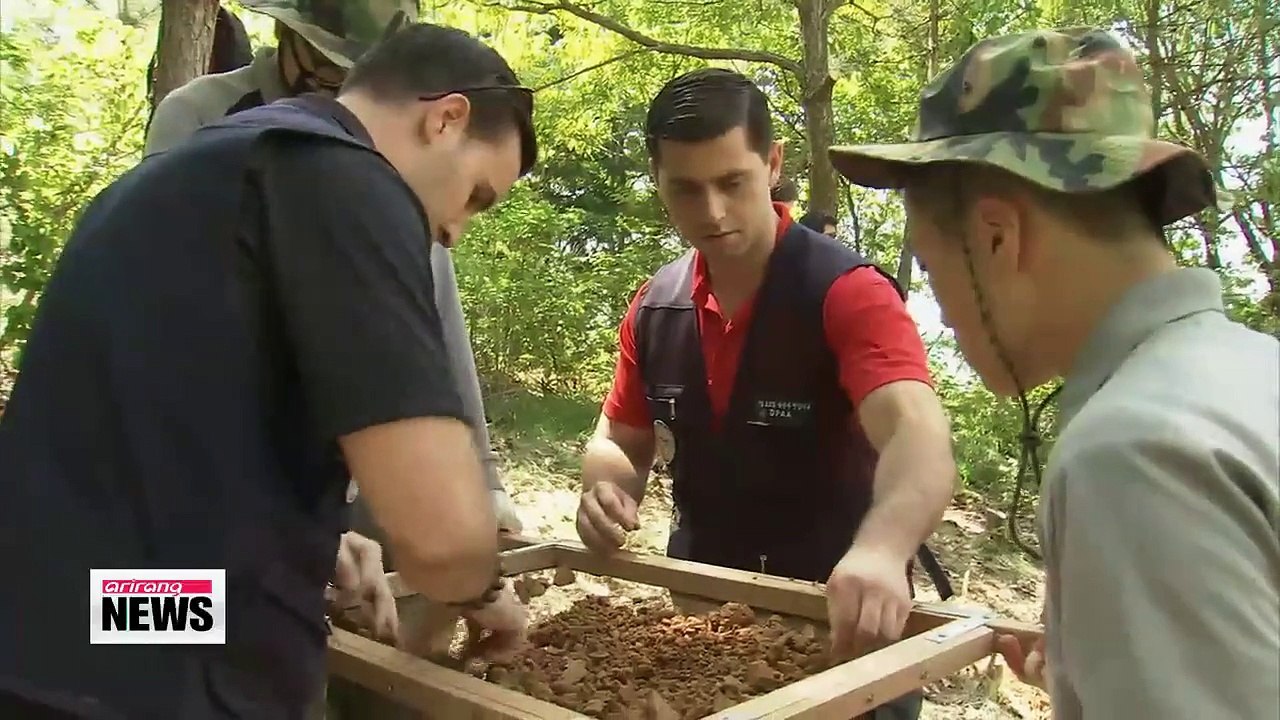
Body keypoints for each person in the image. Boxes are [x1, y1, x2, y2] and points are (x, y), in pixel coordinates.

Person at [0, 21, 537, 718]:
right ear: (445, 118)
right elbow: (438, 538)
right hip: (152, 684)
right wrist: (486, 592)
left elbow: (168, 430)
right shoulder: (345, 177)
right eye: (475, 196)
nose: (455, 232)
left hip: (68, 627)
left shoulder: (205, 167)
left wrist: (307, 546)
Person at [830, 27, 1279, 719]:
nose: (937, 309)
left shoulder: (1133, 452)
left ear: (996, 236)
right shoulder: (1250, 373)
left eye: (930, 261)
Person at [576, 68, 957, 720]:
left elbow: (916, 431)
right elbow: (620, 437)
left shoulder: (845, 292)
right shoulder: (654, 307)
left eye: (732, 183)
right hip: (701, 640)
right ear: (658, 184)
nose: (713, 213)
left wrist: (883, 549)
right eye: (686, 190)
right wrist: (607, 487)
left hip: (842, 639)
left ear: (773, 163)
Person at [146, 0, 525, 536]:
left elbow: (430, 317)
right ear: (288, 36)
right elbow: (185, 333)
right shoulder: (206, 119)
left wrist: (484, 484)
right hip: (209, 472)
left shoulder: (396, 162)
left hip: (349, 453)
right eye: (330, 67)